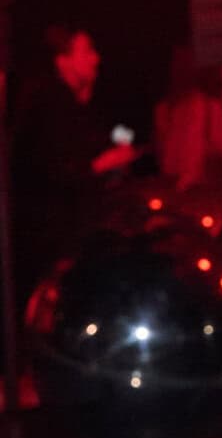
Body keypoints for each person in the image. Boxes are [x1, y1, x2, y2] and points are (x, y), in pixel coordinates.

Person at [12, 24, 137, 286]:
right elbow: (54, 172)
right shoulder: (49, 104)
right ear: (63, 60)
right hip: (51, 243)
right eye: (87, 51)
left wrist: (117, 154)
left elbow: (114, 134)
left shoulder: (80, 105)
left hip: (68, 238)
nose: (96, 58)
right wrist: (103, 164)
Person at [153, 45, 222, 214]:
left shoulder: (209, 108)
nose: (180, 69)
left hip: (199, 199)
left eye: (184, 63)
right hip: (178, 199)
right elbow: (162, 156)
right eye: (177, 63)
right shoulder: (164, 110)